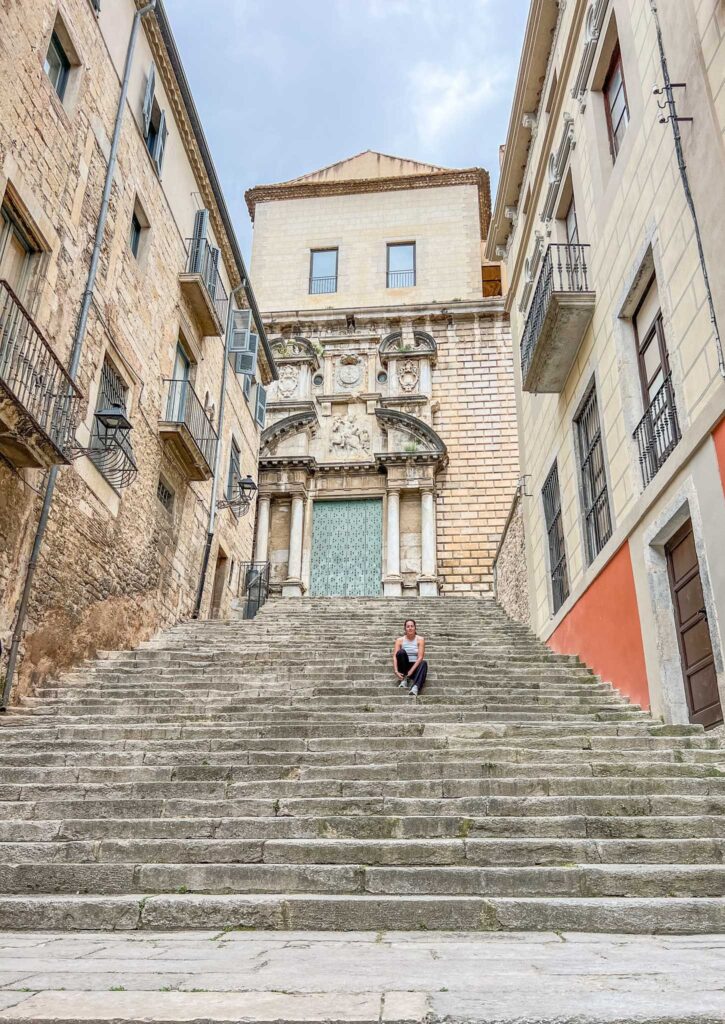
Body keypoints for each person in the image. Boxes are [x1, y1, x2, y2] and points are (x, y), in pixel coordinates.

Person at [393, 619, 427, 697]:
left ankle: (415, 687)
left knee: (423, 663)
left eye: (412, 626)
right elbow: (395, 656)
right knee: (401, 652)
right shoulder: (399, 640)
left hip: (415, 667)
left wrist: (411, 671)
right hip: (404, 667)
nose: (410, 628)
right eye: (408, 626)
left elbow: (420, 657)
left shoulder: (420, 639)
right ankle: (404, 679)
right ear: (405, 628)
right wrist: (396, 671)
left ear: (415, 628)